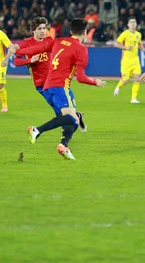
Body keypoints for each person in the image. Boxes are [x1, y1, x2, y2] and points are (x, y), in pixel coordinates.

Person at [8, 18, 106, 160]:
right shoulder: (81, 49)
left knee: (71, 120)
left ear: (71, 31)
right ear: (84, 33)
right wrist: (94, 82)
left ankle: (63, 146)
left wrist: (19, 50)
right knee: (71, 119)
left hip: (48, 86)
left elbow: (39, 48)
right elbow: (81, 78)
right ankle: (38, 130)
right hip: (61, 86)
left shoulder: (58, 41)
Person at [2, 17, 87, 132]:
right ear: (33, 31)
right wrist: (30, 60)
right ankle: (75, 117)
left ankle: (65, 130)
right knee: (58, 107)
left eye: (44, 28)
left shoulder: (49, 40)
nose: (43, 31)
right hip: (40, 84)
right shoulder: (26, 43)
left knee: (59, 106)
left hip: (53, 81)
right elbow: (16, 61)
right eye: (39, 29)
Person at [113, 16, 143, 103]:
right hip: (126, 60)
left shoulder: (138, 34)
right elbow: (116, 44)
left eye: (134, 22)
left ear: (136, 24)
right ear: (128, 24)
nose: (133, 24)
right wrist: (125, 47)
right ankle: (118, 87)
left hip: (135, 60)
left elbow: (139, 43)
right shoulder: (125, 34)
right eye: (131, 22)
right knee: (125, 80)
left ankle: (133, 99)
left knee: (137, 78)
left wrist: (142, 48)